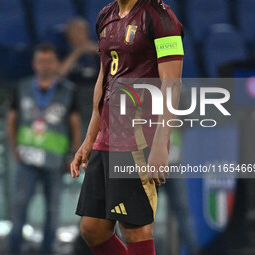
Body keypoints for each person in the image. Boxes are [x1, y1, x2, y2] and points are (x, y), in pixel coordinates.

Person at [70, 0, 184, 255]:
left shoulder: (161, 17)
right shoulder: (104, 16)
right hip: (107, 135)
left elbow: (172, 84)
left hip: (140, 137)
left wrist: (160, 145)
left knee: (135, 229)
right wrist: (90, 138)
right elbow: (105, 77)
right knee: (93, 229)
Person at [7, 43, 81, 255]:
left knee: (53, 211)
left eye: (49, 61)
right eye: (41, 61)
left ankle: (48, 251)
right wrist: (14, 149)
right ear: (34, 64)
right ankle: (13, 251)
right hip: (27, 160)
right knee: (19, 207)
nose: (45, 65)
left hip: (55, 162)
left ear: (56, 63)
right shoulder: (21, 88)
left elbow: (75, 125)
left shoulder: (67, 91)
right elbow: (11, 119)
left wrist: (73, 154)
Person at [59, 18, 100, 86]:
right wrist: (78, 52)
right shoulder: (63, 50)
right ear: (68, 35)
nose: (79, 35)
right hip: (73, 89)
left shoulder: (97, 48)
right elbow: (60, 73)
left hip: (97, 87)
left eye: (83, 31)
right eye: (75, 31)